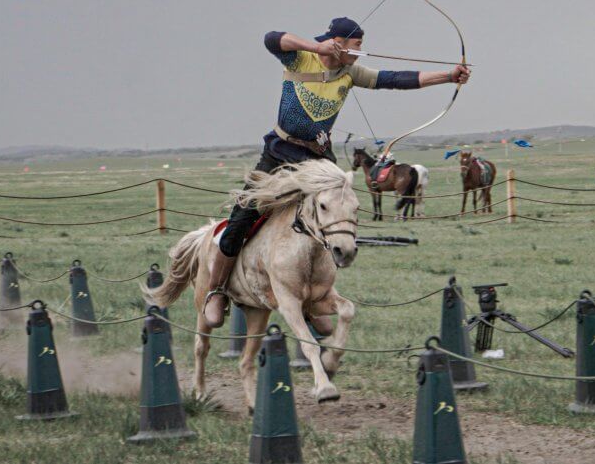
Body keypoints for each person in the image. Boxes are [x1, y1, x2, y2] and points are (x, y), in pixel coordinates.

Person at [201, 17, 471, 328]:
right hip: (279, 153)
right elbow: (271, 38)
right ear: (338, 43)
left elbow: (395, 77)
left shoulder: (350, 72)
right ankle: (217, 292)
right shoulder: (300, 57)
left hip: (318, 161)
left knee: (331, 222)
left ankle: (315, 298)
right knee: (242, 218)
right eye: (357, 46)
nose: (360, 52)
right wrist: (316, 46)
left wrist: (449, 76)